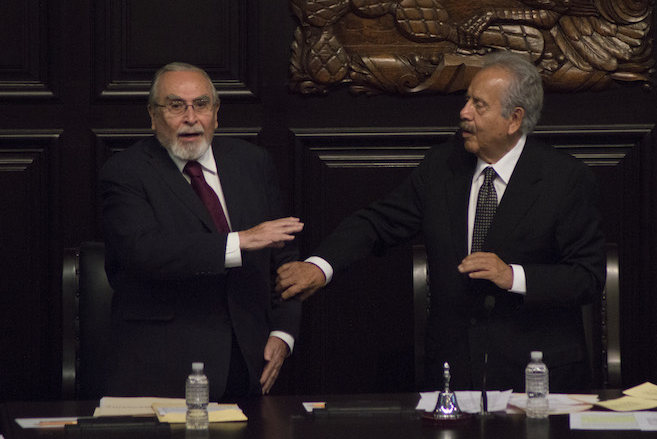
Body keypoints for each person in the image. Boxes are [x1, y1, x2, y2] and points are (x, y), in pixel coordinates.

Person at [276, 52, 606, 392]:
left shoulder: (564, 179)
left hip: (536, 378)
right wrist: (319, 267)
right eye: (467, 101)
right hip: (453, 376)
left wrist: (512, 276)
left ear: (514, 119)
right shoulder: (442, 167)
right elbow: (377, 223)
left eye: (479, 105)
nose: (464, 113)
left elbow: (587, 277)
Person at [99, 62, 303, 401]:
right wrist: (240, 241)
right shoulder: (125, 172)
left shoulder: (252, 163)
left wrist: (283, 333)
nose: (191, 117)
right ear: (153, 115)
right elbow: (144, 252)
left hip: (249, 364)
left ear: (216, 113)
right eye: (176, 105)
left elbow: (286, 262)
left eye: (202, 104)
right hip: (163, 368)